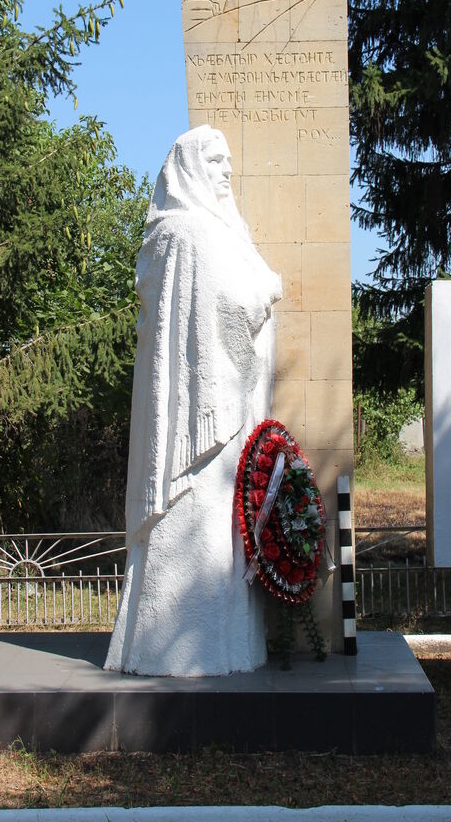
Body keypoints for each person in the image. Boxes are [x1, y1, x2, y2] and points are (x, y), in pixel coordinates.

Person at [104, 125, 282, 676]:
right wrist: (267, 288)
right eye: (215, 161)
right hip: (205, 422)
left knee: (204, 535)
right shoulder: (192, 234)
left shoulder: (176, 234)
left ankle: (187, 647)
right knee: (197, 532)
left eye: (228, 160)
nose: (227, 171)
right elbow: (231, 308)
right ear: (188, 168)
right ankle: (195, 651)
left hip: (194, 419)